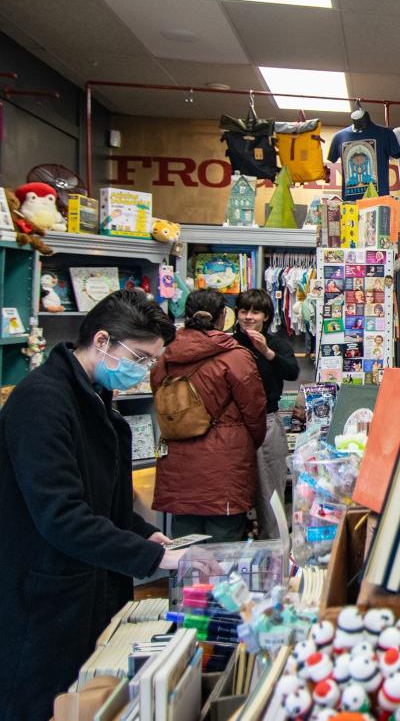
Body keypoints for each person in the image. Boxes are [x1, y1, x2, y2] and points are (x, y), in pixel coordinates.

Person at [0, 290, 199, 714]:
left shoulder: (92, 396)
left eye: (151, 362)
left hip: (85, 590)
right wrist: (150, 558)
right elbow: (63, 516)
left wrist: (149, 535)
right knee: (41, 704)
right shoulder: (42, 402)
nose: (145, 373)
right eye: (141, 359)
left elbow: (102, 500)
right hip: (43, 598)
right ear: (104, 341)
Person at [153, 290, 267, 541]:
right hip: (225, 461)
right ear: (223, 316)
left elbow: (160, 397)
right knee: (223, 548)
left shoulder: (166, 354)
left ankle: (183, 582)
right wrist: (248, 442)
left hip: (178, 460)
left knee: (184, 546)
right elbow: (255, 411)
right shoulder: (235, 356)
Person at [234, 289, 299, 540]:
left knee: (270, 494)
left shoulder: (276, 344)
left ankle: (275, 556)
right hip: (233, 425)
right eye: (244, 311)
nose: (249, 317)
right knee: (233, 493)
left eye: (255, 311)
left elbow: (292, 371)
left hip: (267, 421)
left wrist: (267, 353)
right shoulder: (228, 342)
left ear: (266, 316)